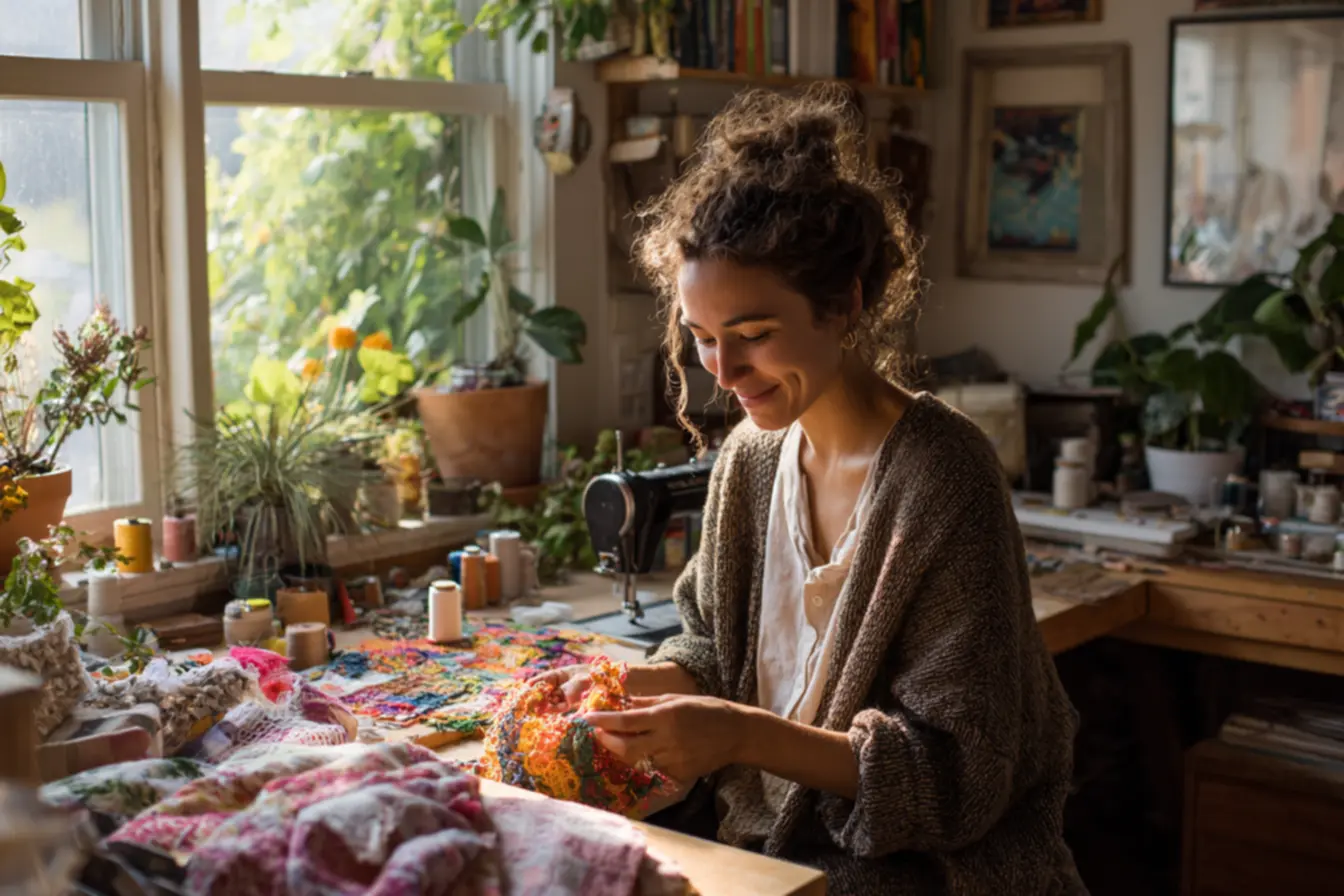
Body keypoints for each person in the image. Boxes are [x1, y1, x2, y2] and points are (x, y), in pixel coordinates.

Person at [540, 86, 1087, 895]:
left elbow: (958, 779)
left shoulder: (944, 478)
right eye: (702, 339)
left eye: (754, 336)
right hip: (770, 861)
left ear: (843, 305)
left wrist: (734, 736)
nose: (722, 372)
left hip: (934, 876)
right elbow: (713, 647)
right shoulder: (751, 463)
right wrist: (654, 685)